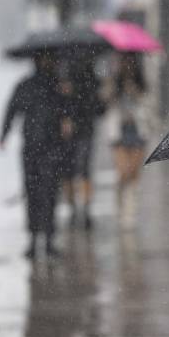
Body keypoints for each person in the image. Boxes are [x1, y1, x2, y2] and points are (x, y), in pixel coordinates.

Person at [0, 54, 65, 258]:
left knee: (49, 193)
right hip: (34, 148)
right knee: (35, 193)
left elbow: (68, 111)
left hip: (50, 147)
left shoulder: (57, 86)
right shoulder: (29, 86)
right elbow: (11, 110)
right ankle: (35, 239)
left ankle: (46, 239)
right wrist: (4, 133)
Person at [106, 52, 152, 230]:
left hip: (138, 130)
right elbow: (105, 103)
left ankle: (130, 211)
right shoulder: (114, 81)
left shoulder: (141, 83)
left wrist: (136, 92)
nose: (127, 64)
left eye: (130, 61)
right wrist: (113, 87)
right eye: (124, 61)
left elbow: (149, 105)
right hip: (119, 131)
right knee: (123, 171)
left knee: (134, 173)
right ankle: (120, 204)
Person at [60, 59, 106, 230]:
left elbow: (99, 108)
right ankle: (81, 210)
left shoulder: (70, 76)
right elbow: (100, 109)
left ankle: (80, 210)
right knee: (78, 171)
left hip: (80, 131)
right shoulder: (89, 80)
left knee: (74, 171)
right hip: (79, 131)